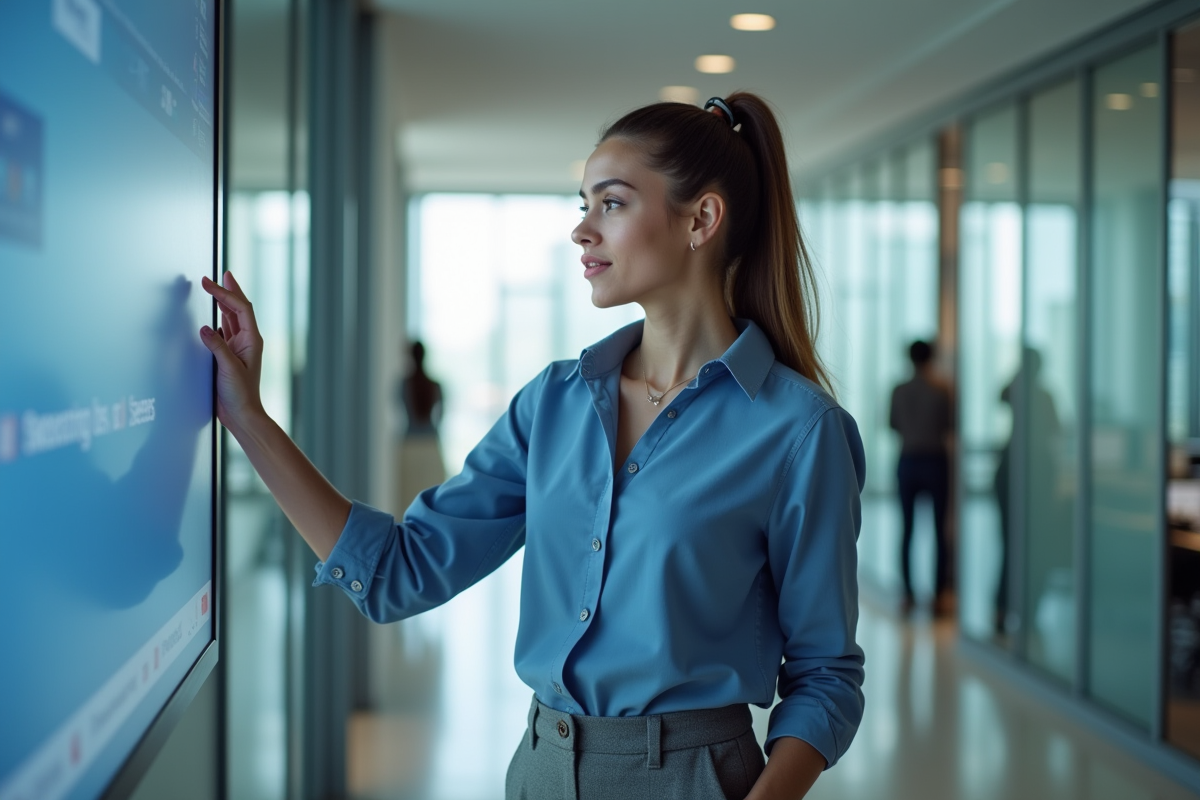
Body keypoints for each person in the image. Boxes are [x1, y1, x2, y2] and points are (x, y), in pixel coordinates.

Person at [199, 93, 865, 800]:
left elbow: (825, 676)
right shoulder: (554, 403)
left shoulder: (799, 430)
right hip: (541, 771)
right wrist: (248, 418)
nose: (581, 230)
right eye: (584, 204)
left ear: (700, 219)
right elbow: (398, 571)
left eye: (611, 203)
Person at [888, 340, 953, 615]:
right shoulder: (942, 389)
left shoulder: (899, 390)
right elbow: (949, 426)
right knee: (940, 530)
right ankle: (939, 594)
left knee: (907, 529)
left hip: (908, 459)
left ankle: (907, 594)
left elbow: (892, 424)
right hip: (935, 460)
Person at [395, 340, 446, 513]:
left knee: (408, 496)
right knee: (433, 494)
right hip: (430, 443)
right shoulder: (435, 385)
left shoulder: (403, 384)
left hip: (410, 444)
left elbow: (399, 411)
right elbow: (441, 416)